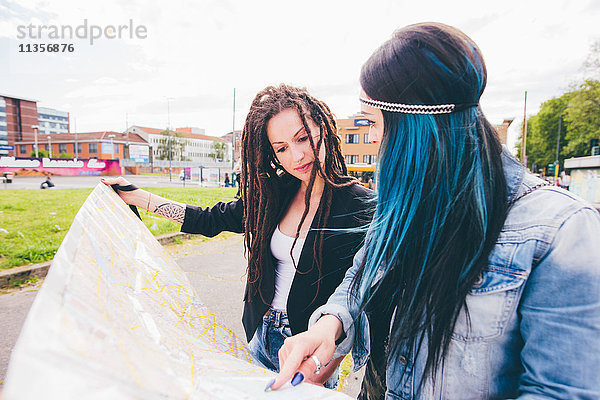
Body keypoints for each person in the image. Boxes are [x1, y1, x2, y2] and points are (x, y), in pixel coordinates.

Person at [271, 23, 600, 398]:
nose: (373, 138)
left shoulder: (561, 230)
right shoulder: (404, 202)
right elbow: (361, 274)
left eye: (375, 123)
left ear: (419, 127)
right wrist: (326, 328)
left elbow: (562, 390)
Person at [102, 84, 374, 389]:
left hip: (307, 349)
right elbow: (207, 219)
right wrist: (137, 197)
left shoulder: (362, 206)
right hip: (261, 334)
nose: (296, 155)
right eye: (281, 148)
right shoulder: (274, 195)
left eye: (301, 138)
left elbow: (356, 293)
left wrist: (329, 359)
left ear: (322, 129)